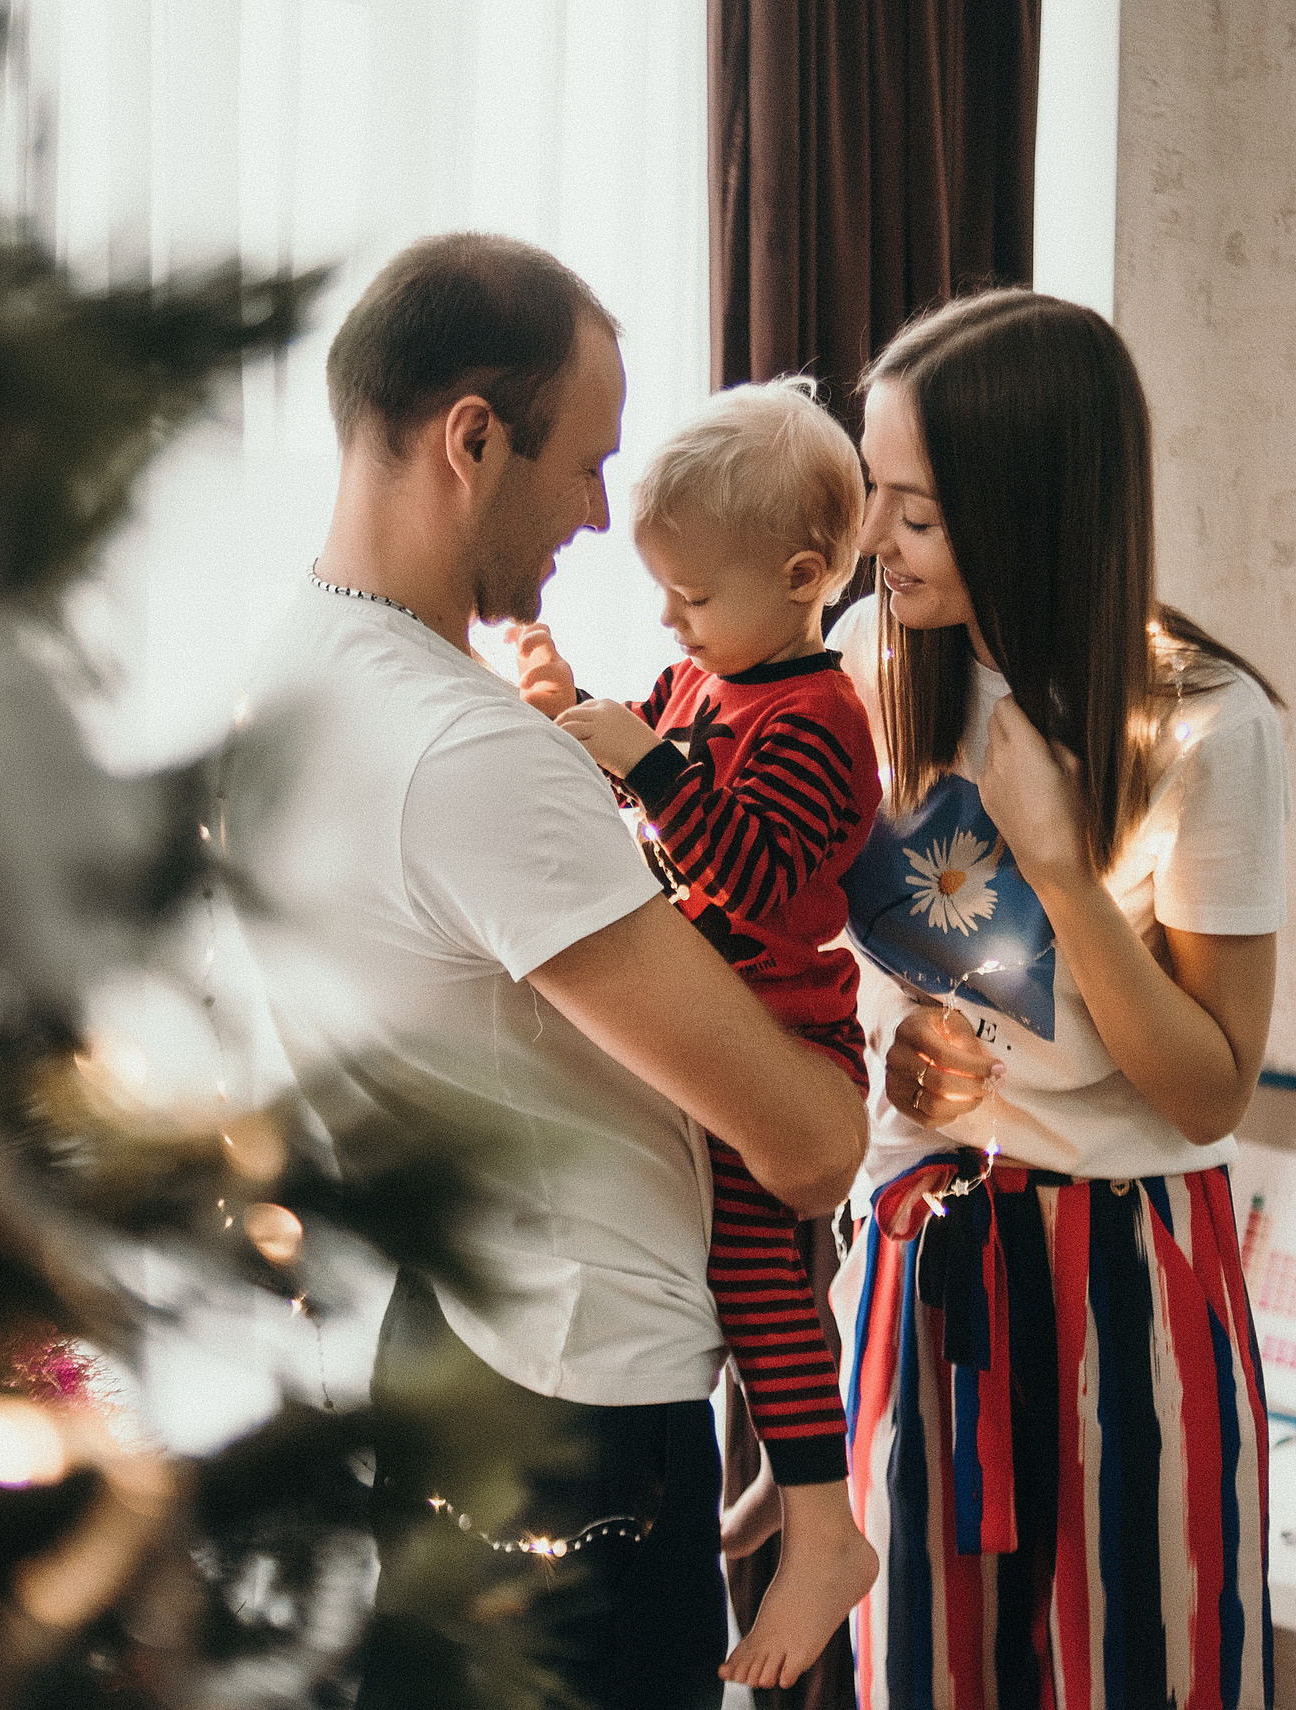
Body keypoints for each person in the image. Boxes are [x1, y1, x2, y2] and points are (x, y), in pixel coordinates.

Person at [231, 233, 866, 1710]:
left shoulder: (300, 665)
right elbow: (812, 1142)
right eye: (585, 464)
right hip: (581, 1401)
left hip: (447, 1338)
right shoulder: (468, 753)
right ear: (470, 438)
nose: (598, 512)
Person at [828, 290, 1288, 1709]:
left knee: (1149, 1672)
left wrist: (1064, 873)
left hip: (1130, 1265)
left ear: (1027, 504)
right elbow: (863, 990)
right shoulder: (868, 668)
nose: (873, 544)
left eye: (915, 513)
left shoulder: (1209, 726)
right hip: (929, 1250)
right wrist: (899, 1057)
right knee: (921, 1674)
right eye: (872, 496)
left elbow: (1210, 1087)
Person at [514, 376, 883, 1691]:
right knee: (714, 1268)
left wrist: (650, 762)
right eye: (661, 595)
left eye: (692, 595)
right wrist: (588, 711)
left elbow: (765, 876)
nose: (670, 621)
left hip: (788, 1041)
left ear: (798, 580)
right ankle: (775, 1499)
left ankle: (820, 1527)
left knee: (757, 1271)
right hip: (717, 1020)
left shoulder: (823, 723)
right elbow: (653, 760)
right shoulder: (701, 676)